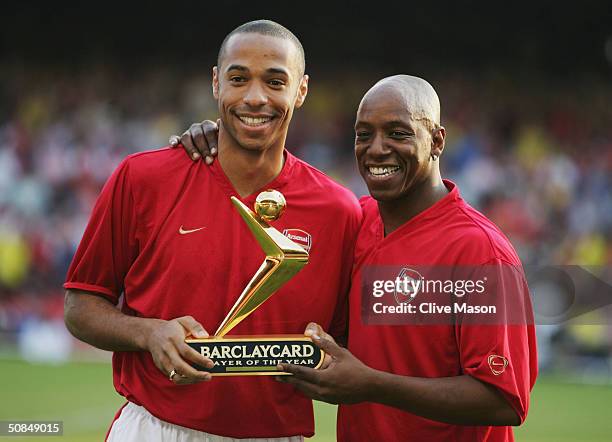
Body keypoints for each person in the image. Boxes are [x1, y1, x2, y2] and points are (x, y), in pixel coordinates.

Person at [177, 75, 537, 441]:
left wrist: (371, 385)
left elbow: (503, 400)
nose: (376, 149)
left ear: (437, 141)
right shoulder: (355, 223)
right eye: (363, 135)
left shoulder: (481, 252)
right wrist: (223, 140)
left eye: (397, 133)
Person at [63, 20, 361, 441]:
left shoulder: (339, 211)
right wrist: (148, 333)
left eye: (275, 81)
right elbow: (80, 306)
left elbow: (349, 344)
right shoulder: (143, 178)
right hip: (155, 429)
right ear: (217, 83)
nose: (255, 97)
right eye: (239, 79)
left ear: (302, 91)